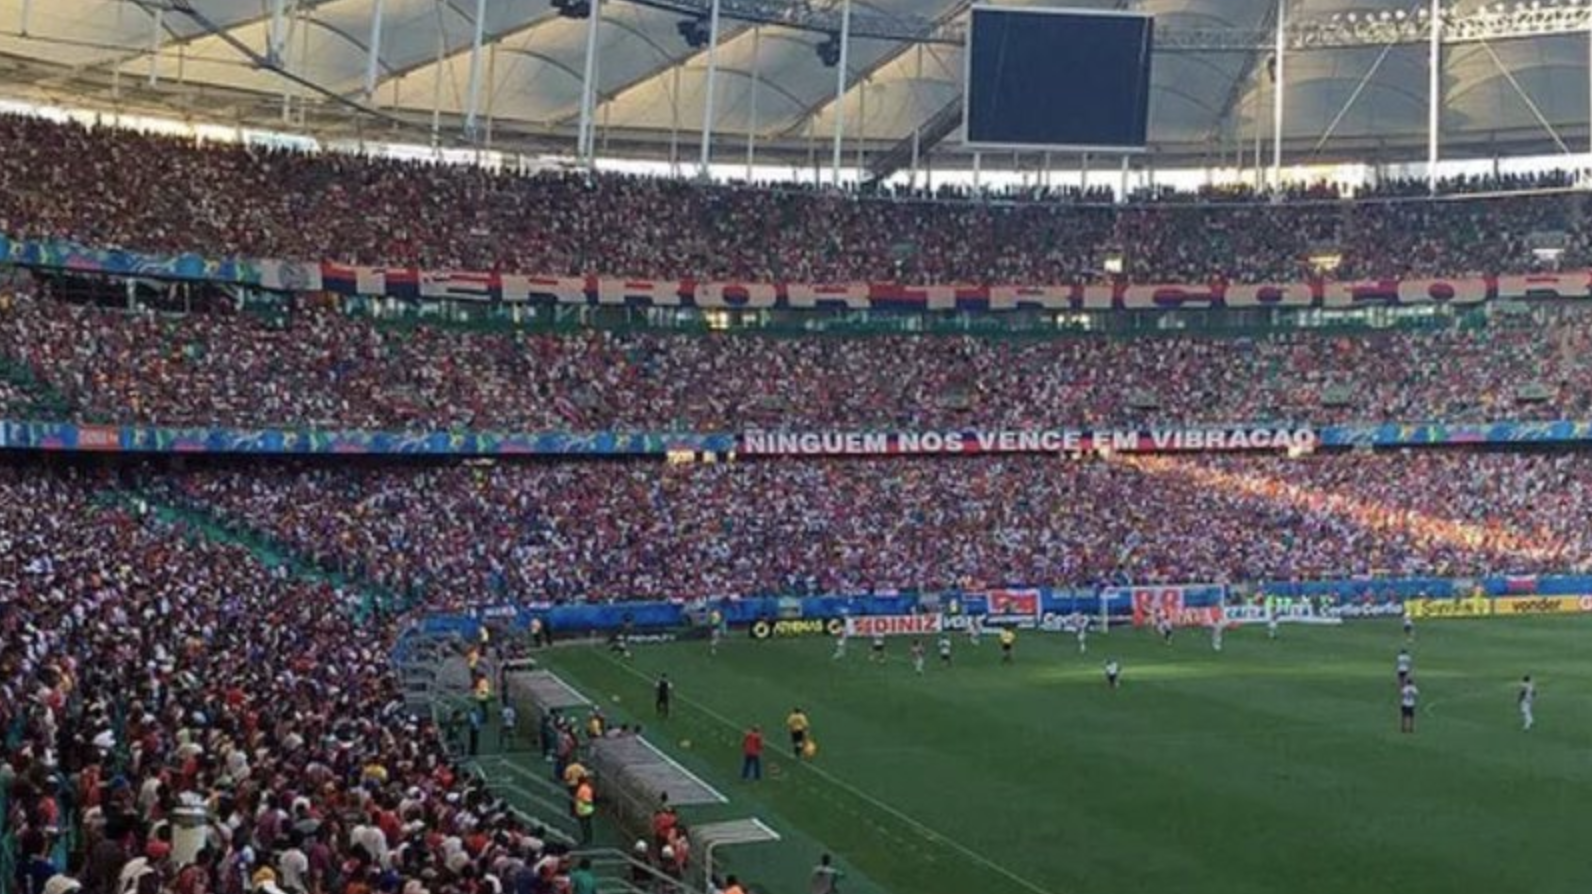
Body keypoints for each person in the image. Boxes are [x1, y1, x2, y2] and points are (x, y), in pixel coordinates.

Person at [573, 774, 596, 844]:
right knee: (588, 824)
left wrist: (581, 800)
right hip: (587, 809)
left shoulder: (582, 789)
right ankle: (589, 837)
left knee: (584, 825)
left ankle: (586, 839)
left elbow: (587, 800)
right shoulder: (587, 788)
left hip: (583, 810)